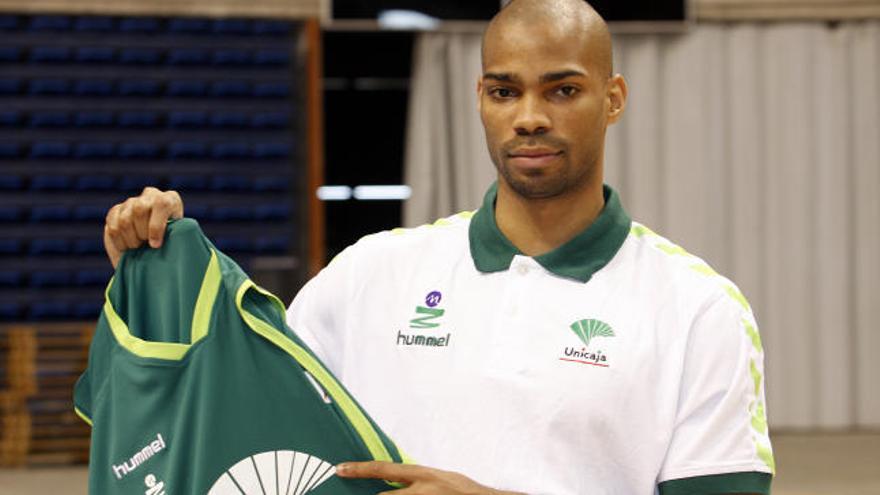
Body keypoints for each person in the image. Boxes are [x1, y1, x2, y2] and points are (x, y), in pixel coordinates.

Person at [103, 0, 774, 493]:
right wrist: (156, 271)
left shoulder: (697, 307)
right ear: (481, 98)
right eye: (505, 91)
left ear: (613, 97)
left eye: (562, 89)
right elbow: (242, 398)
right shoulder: (369, 274)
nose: (531, 115)